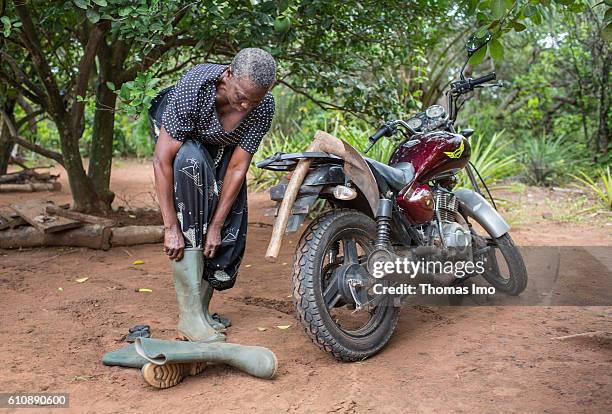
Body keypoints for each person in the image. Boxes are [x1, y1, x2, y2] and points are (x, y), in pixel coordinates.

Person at [150, 48, 276, 343]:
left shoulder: (263, 106)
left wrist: (217, 226)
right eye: (241, 96)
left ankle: (201, 311)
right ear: (228, 75)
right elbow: (162, 160)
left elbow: (237, 167)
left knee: (231, 213)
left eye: (253, 101)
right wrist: (170, 228)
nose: (245, 105)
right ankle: (189, 316)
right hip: (183, 144)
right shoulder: (195, 86)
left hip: (221, 150)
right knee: (191, 170)